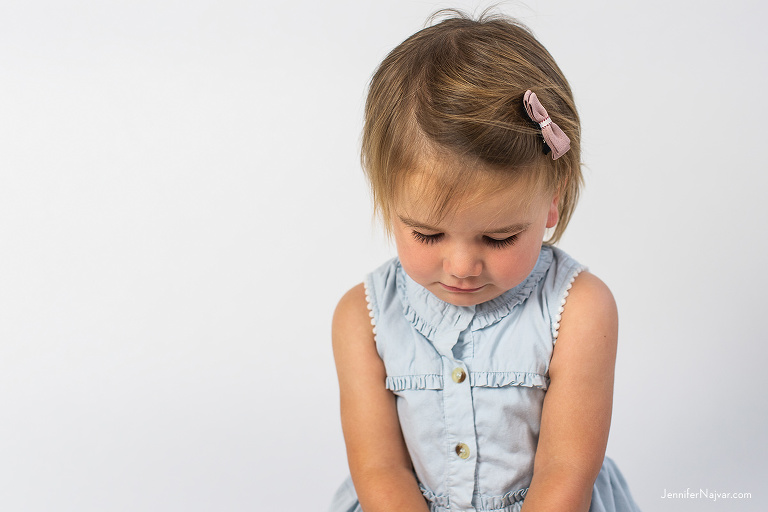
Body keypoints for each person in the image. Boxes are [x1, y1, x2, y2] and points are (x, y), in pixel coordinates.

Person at [328, 10, 641, 512]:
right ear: (390, 204)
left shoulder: (579, 311)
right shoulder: (362, 319)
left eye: (498, 238)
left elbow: (565, 473)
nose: (461, 266)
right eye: (427, 233)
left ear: (551, 202)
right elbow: (380, 470)